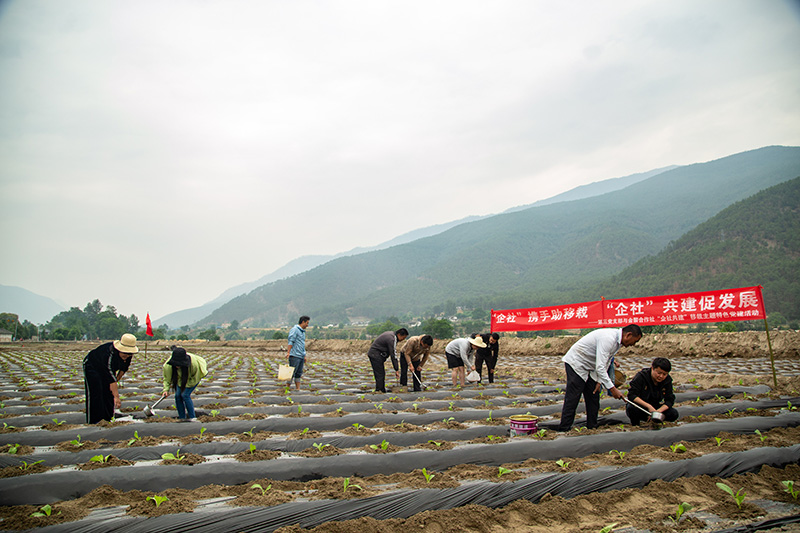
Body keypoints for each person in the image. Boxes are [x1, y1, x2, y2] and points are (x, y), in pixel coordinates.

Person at [558, 324, 643, 432]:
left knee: (593, 396)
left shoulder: (617, 343)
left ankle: (592, 427)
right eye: (634, 341)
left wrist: (599, 381)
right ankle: (564, 429)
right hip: (577, 362)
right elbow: (600, 367)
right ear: (628, 335)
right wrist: (612, 389)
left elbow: (607, 361)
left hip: (591, 367)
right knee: (573, 397)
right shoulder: (608, 338)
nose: (633, 345)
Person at [83, 333, 138, 424]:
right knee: (96, 393)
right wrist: (116, 397)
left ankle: (107, 418)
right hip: (92, 366)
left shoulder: (128, 355)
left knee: (108, 393)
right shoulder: (109, 354)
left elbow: (123, 369)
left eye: (129, 354)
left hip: (106, 369)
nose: (127, 356)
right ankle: (94, 421)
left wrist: (116, 380)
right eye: (125, 354)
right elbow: (110, 378)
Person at [626, 357, 679, 426]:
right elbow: (632, 395)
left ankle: (656, 422)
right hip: (642, 407)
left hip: (656, 407)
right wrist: (649, 406)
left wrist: (658, 412)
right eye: (659, 373)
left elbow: (669, 400)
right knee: (631, 408)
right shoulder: (641, 377)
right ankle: (636, 425)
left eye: (664, 374)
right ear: (652, 368)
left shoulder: (667, 380)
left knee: (673, 413)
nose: (661, 376)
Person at [160, 347, 208, 421]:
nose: (177, 366)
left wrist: (185, 387)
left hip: (193, 378)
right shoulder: (167, 366)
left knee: (185, 395)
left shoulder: (193, 365)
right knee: (177, 396)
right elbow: (167, 379)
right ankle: (182, 418)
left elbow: (194, 378)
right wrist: (165, 390)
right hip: (180, 379)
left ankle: (192, 418)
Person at [367, 328, 408, 393]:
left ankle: (381, 389)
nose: (403, 340)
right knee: (380, 373)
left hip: (375, 354)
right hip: (375, 354)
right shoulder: (392, 339)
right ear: (399, 335)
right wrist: (396, 369)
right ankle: (379, 390)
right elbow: (393, 354)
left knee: (380, 373)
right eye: (403, 337)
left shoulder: (391, 335)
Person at [286, 316, 310, 390]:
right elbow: (291, 341)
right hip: (294, 355)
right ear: (303, 322)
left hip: (301, 356)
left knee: (299, 374)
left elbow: (302, 345)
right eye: (307, 323)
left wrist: (304, 356)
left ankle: (298, 389)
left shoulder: (302, 332)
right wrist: (288, 352)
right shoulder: (295, 330)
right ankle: (287, 389)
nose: (307, 325)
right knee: (291, 373)